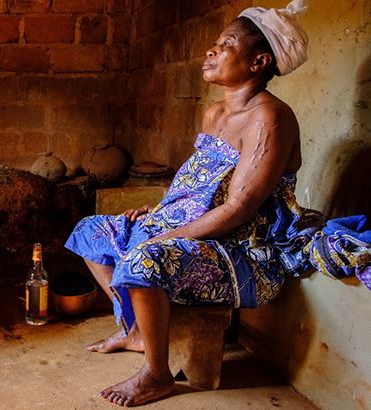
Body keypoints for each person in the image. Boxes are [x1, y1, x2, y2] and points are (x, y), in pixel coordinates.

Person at [65, 0, 320, 406]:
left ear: (259, 61)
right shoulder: (215, 112)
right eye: (216, 42)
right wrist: (159, 213)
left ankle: (157, 374)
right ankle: (135, 330)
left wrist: (167, 234)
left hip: (239, 251)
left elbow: (240, 209)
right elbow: (195, 183)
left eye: (226, 44)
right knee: (89, 231)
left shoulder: (270, 118)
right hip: (191, 230)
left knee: (144, 259)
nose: (211, 50)